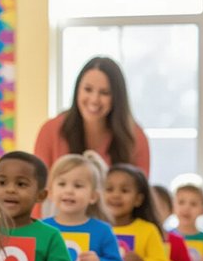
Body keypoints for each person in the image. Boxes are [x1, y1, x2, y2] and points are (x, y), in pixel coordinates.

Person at [34, 57, 150, 217]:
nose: (94, 99)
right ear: (77, 90)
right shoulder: (51, 130)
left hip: (115, 227)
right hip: (59, 225)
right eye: (88, 89)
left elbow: (140, 196)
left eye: (104, 93)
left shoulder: (134, 136)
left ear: (116, 97)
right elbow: (38, 192)